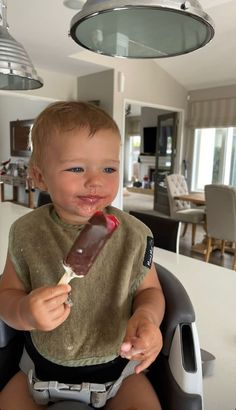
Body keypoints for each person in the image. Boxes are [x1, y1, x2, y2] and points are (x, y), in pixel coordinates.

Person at [0, 101, 165, 410]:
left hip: (120, 373)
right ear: (39, 176)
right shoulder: (26, 233)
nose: (95, 180)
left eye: (109, 168)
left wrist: (147, 317)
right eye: (76, 168)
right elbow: (5, 295)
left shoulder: (133, 234)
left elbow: (150, 290)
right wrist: (23, 311)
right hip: (36, 373)